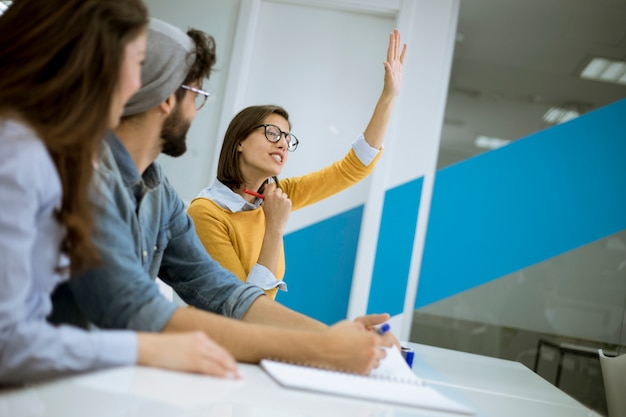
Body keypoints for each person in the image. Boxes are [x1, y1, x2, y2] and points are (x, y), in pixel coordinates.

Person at [56, 18, 393, 375]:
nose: (197, 111)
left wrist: (340, 339)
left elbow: (224, 292)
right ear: (167, 98)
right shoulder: (88, 182)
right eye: (198, 95)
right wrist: (323, 347)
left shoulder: (161, 193)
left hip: (113, 378)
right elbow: (137, 309)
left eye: (287, 137)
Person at [0, 0, 239, 385]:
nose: (135, 84)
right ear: (88, 63)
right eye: (133, 62)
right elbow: (7, 343)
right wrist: (147, 348)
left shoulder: (52, 156)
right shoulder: (19, 156)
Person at [187, 30, 407, 299]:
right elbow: (243, 308)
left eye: (287, 138)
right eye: (272, 133)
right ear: (239, 141)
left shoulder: (275, 196)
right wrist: (275, 227)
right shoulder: (206, 213)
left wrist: (388, 97)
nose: (282, 144)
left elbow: (352, 169)